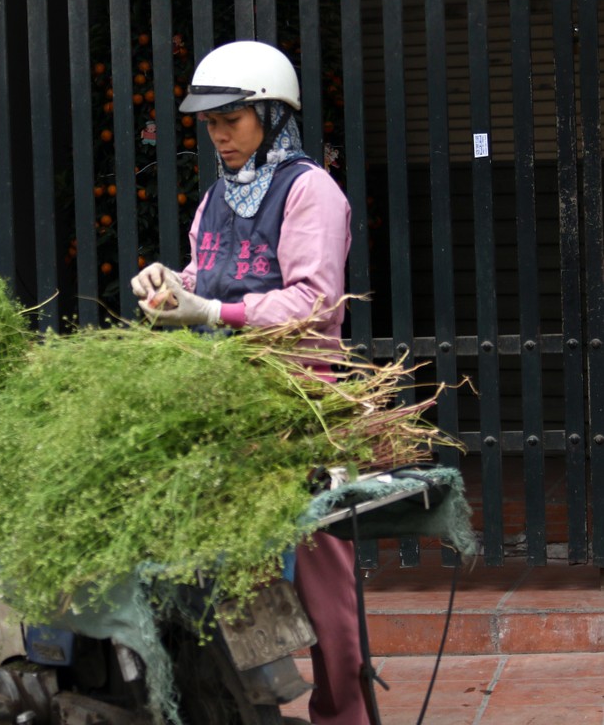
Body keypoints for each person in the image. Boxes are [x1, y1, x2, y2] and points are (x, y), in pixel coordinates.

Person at [131, 40, 368, 725]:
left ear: (269, 113)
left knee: (322, 581)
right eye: (209, 124)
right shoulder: (215, 197)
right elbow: (206, 275)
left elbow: (315, 302)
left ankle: (341, 714)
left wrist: (215, 312)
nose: (219, 136)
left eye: (231, 120)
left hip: (300, 409)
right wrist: (171, 284)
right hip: (224, 408)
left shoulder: (310, 192)